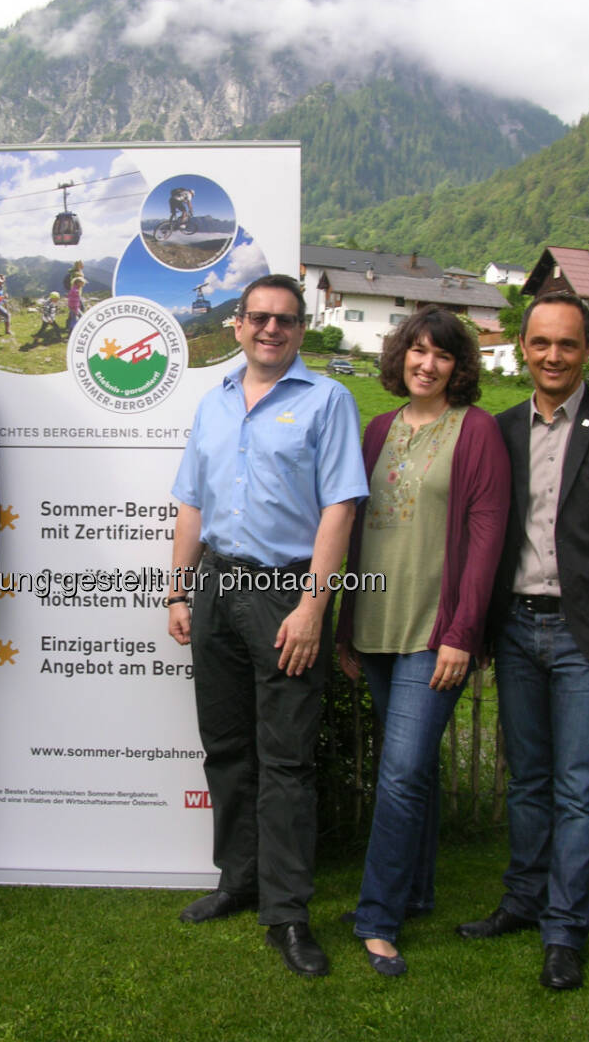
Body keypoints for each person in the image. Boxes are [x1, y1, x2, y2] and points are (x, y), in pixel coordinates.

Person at [456, 290, 589, 991]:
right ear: (523, 346)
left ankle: (565, 930)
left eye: (566, 344)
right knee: (528, 781)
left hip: (587, 636)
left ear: (588, 351)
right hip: (515, 627)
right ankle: (522, 900)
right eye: (540, 342)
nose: (552, 355)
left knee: (579, 789)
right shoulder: (501, 429)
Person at [168, 273, 367, 978]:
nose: (270, 329)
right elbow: (191, 504)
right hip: (216, 587)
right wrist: (177, 591)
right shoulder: (214, 403)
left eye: (284, 319)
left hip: (286, 596)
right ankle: (238, 880)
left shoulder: (328, 402)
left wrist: (315, 606)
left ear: (300, 328)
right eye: (258, 318)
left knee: (285, 760)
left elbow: (340, 508)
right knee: (225, 746)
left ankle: (286, 913)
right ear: (238, 325)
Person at [334, 306, 510, 977]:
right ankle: (420, 889)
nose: (426, 364)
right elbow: (355, 534)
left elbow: (487, 543)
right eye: (416, 351)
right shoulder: (377, 431)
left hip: (434, 636)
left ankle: (378, 917)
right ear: (400, 356)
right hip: (376, 628)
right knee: (416, 770)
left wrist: (463, 634)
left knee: (401, 773)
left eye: (440, 355)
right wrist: (347, 628)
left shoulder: (478, 433)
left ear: (458, 367)